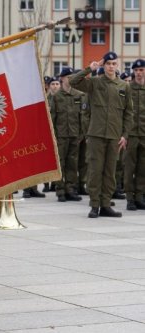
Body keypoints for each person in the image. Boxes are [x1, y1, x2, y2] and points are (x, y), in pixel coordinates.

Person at [70, 52, 133, 218]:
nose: (111, 66)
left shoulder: (124, 86)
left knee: (110, 172)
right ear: (103, 66)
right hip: (96, 135)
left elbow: (128, 113)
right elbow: (73, 81)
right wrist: (89, 69)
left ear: (117, 65)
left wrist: (125, 135)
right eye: (108, 64)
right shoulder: (95, 83)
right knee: (95, 171)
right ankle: (94, 205)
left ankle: (106, 205)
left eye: (113, 64)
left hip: (114, 136)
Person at [50, 67, 84, 202]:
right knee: (61, 163)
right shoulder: (57, 97)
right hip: (61, 136)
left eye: (72, 77)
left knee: (72, 163)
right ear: (62, 79)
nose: (70, 79)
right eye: (67, 77)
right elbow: (52, 117)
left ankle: (71, 189)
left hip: (75, 135)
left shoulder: (78, 95)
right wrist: (53, 136)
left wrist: (82, 134)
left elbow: (83, 117)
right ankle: (60, 190)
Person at [124, 59, 145, 210]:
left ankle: (139, 196)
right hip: (131, 134)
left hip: (144, 134)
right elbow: (122, 112)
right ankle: (130, 198)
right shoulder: (127, 88)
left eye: (142, 70)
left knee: (142, 167)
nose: (139, 73)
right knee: (129, 167)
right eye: (136, 70)